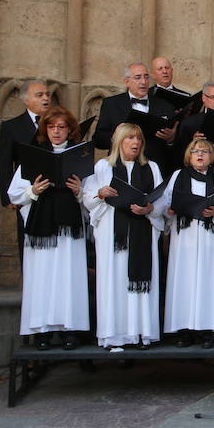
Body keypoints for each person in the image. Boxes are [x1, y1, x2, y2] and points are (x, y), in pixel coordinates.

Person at [7, 106, 89, 350]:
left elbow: (91, 198)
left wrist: (79, 191)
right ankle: (41, 331)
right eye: (52, 127)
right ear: (45, 130)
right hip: (41, 227)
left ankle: (69, 330)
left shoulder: (79, 156)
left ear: (70, 130)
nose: (56, 132)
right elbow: (14, 194)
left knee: (69, 277)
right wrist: (33, 190)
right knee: (41, 278)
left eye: (62, 127)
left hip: (69, 228)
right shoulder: (34, 156)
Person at [84, 123, 165, 350]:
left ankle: (142, 333)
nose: (136, 143)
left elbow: (162, 199)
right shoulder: (103, 167)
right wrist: (100, 194)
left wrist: (149, 209)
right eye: (130, 138)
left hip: (142, 232)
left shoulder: (151, 167)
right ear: (119, 140)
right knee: (115, 280)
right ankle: (114, 335)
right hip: (113, 234)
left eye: (139, 138)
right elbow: (87, 198)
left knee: (140, 281)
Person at [157, 138, 214, 348]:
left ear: (212, 156)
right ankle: (185, 330)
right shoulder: (178, 176)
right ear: (188, 155)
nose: (200, 155)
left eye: (205, 151)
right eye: (195, 151)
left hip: (212, 235)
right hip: (186, 236)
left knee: (209, 281)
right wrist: (170, 210)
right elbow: (165, 202)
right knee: (185, 281)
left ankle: (207, 330)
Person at [0, 79, 50, 258]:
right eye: (40, 95)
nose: (46, 98)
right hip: (26, 192)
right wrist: (7, 196)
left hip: (54, 190)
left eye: (47, 95)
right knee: (27, 241)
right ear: (26, 100)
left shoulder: (58, 124)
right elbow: (4, 163)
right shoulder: (11, 127)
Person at [93, 63, 178, 171]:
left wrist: (171, 139)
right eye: (138, 77)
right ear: (126, 81)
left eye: (146, 77)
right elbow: (98, 139)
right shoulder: (111, 104)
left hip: (155, 168)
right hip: (119, 167)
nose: (143, 82)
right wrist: (114, 138)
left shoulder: (165, 105)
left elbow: (177, 146)